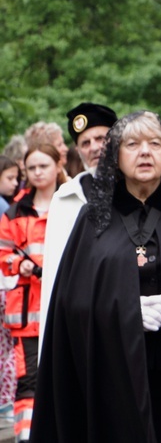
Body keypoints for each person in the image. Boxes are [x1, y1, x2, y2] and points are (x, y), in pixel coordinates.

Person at [31, 111, 161, 442]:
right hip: (114, 373)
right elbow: (72, 305)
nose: (145, 152)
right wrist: (126, 311)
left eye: (155, 143)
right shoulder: (92, 220)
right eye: (132, 144)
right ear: (116, 155)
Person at [39, 103, 118, 357]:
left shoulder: (142, 190)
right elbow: (54, 277)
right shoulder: (66, 199)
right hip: (82, 321)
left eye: (101, 138)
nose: (94, 147)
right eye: (85, 143)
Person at [0, 144, 65, 442]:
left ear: (57, 165)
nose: (38, 173)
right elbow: (3, 253)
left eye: (44, 166)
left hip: (64, 307)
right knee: (28, 385)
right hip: (26, 315)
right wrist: (19, 264)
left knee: (66, 376)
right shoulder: (14, 211)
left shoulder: (73, 203)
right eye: (33, 168)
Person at [0, 156, 19, 427]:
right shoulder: (6, 208)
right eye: (10, 178)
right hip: (6, 287)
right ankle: (6, 402)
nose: (15, 184)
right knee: (8, 348)